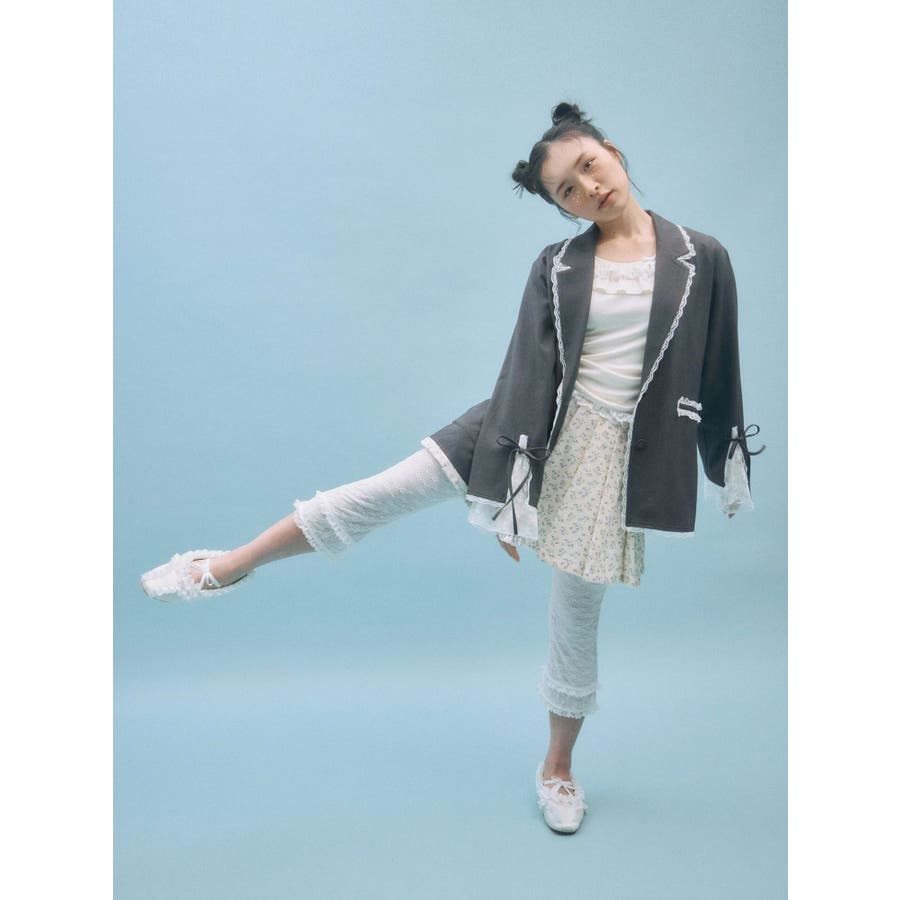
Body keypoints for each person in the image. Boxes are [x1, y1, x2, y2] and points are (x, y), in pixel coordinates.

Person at [140, 101, 765, 835]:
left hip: (615, 460)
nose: (588, 187)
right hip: (521, 429)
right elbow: (528, 368)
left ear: (614, 154)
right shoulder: (559, 266)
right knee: (381, 494)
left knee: (577, 616)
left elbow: (717, 366)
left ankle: (557, 769)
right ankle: (225, 566)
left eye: (589, 166)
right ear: (562, 209)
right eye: (567, 189)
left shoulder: (702, 258)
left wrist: (724, 460)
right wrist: (508, 496)